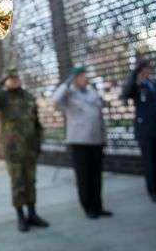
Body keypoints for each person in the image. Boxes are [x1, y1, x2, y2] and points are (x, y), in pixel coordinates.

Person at [0, 68, 49, 232]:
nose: (14, 80)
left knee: (31, 181)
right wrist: (1, 83)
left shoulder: (28, 97)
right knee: (18, 183)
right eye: (10, 78)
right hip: (13, 151)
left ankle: (32, 214)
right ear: (6, 80)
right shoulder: (3, 97)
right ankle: (21, 217)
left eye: (16, 77)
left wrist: (38, 143)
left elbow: (36, 122)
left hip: (30, 149)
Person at [52, 67, 112, 219]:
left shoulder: (92, 93)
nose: (86, 79)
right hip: (79, 142)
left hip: (96, 140)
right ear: (75, 79)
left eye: (86, 76)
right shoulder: (69, 94)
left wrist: (104, 137)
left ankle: (98, 205)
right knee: (84, 177)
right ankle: (88, 207)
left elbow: (99, 116)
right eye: (82, 77)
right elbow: (55, 98)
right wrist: (67, 82)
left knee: (96, 176)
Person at [121, 59, 156, 203]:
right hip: (146, 130)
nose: (147, 70)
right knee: (150, 163)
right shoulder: (136, 86)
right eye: (143, 69)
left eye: (147, 68)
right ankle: (153, 192)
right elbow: (125, 94)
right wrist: (133, 76)